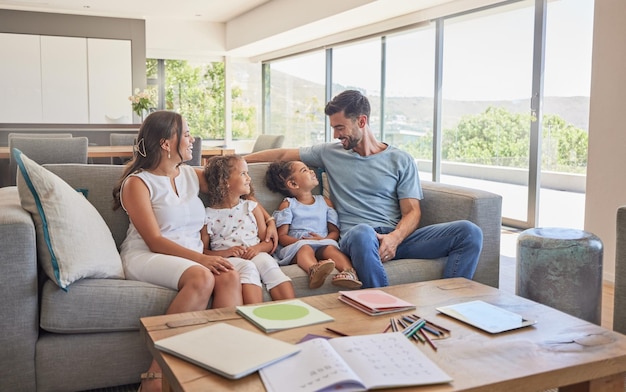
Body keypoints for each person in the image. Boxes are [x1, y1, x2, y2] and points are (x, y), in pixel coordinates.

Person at [246, 90, 483, 289]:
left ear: (361, 121)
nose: (336, 135)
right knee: (363, 232)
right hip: (356, 237)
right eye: (333, 129)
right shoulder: (330, 152)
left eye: (340, 128)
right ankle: (383, 305)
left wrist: (394, 238)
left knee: (469, 232)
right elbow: (280, 155)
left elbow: (412, 212)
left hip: (395, 238)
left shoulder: (401, 159)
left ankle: (451, 298)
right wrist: (234, 162)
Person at [112, 111, 271, 392]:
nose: (192, 138)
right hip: (148, 255)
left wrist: (268, 219)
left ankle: (218, 366)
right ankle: (155, 376)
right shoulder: (138, 183)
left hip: (191, 257)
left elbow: (235, 184)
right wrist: (204, 259)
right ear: (166, 143)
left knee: (230, 275)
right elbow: (154, 240)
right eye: (185, 133)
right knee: (203, 277)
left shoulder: (191, 175)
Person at [202, 154, 296, 303]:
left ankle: (293, 310)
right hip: (228, 259)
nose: (249, 178)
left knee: (269, 265)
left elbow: (268, 241)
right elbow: (202, 251)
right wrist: (225, 253)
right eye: (243, 173)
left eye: (248, 173)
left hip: (255, 252)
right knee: (248, 269)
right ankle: (255, 315)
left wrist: (257, 249)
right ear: (225, 181)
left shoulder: (251, 207)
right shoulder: (208, 215)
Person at [265, 160, 362, 289]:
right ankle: (314, 270)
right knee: (305, 249)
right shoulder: (288, 204)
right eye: (304, 170)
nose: (311, 171)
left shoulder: (325, 202)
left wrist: (323, 239)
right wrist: (302, 241)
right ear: (293, 184)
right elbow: (281, 236)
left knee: (331, 249)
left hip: (322, 242)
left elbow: (334, 232)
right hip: (298, 245)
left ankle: (349, 272)